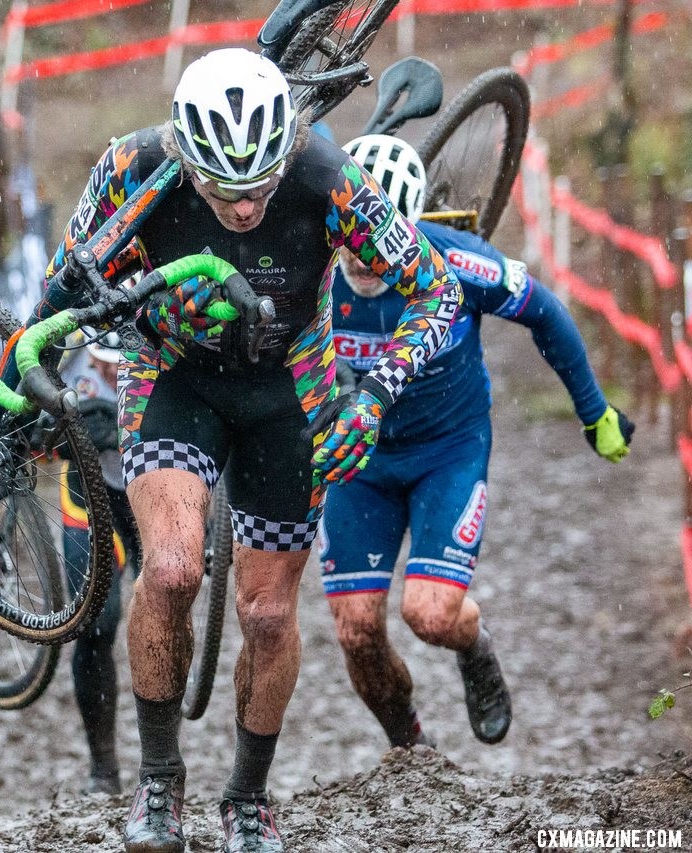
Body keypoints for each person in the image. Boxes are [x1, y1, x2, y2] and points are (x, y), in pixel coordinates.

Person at [44, 48, 461, 853]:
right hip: (174, 378)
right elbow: (66, 282)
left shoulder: (324, 173)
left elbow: (434, 287)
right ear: (187, 160)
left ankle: (247, 798)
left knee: (267, 613)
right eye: (223, 190)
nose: (244, 207)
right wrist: (102, 315)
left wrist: (373, 394)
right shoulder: (133, 165)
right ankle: (159, 785)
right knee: (170, 568)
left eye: (260, 187)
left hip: (290, 392)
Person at [319, 134, 634, 751]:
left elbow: (545, 312)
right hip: (360, 462)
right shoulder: (312, 273)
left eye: (375, 243)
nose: (360, 259)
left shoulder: (457, 262)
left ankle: (475, 646)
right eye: (347, 239)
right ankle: (410, 752)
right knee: (357, 632)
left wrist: (594, 413)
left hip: (448, 450)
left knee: (430, 615)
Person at [57, 330, 139, 796]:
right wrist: (65, 435)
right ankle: (103, 768)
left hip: (153, 490)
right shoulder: (67, 358)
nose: (109, 371)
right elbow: (30, 431)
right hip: (90, 496)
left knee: (164, 607)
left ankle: (160, 767)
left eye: (118, 361)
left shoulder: (161, 342)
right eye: (99, 360)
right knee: (96, 625)